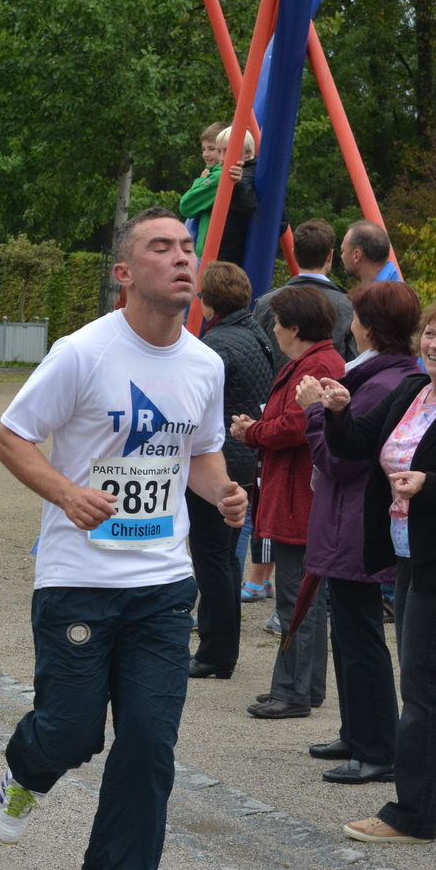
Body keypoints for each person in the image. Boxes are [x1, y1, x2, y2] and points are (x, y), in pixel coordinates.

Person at [0, 207, 245, 870]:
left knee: (148, 738)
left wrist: (223, 493)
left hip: (164, 582)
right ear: (125, 272)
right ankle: (25, 769)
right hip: (78, 578)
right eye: (160, 247)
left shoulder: (205, 364)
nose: (181, 257)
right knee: (71, 730)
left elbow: (198, 453)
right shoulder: (83, 353)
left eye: (187, 246)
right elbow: (10, 437)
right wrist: (66, 494)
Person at [314, 295, 436, 844]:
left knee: (423, 681)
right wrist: (338, 410)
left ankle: (411, 814)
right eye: (430, 334)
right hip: (409, 551)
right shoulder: (414, 390)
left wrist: (431, 485)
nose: (434, 344)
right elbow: (360, 446)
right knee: (430, 677)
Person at [298, 281, 423, 783]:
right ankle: (358, 732)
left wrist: (314, 410)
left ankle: (377, 748)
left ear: (367, 326)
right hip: (352, 520)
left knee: (360, 633)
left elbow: (340, 459)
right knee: (348, 631)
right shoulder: (392, 375)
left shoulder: (377, 382)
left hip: (353, 521)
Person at [233, 285, 348, 719]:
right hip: (297, 492)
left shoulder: (317, 364)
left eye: (278, 323)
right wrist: (261, 426)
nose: (275, 330)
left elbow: (295, 426)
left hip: (302, 495)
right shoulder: (315, 360)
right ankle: (303, 686)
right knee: (302, 597)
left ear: (294, 327)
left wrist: (253, 433)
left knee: (296, 599)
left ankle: (294, 691)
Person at [186, 262, 273, 679]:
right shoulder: (259, 335)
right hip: (249, 459)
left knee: (212, 558)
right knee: (224, 558)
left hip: (218, 463)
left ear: (207, 302)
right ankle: (221, 644)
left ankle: (216, 652)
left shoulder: (215, 345)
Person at [255, 219, 358, 366]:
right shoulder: (350, 307)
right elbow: (354, 364)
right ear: (330, 256)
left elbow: (256, 361)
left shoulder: (266, 303)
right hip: (328, 387)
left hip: (276, 388)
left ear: (294, 254)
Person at [179, 124, 259, 265]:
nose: (206, 154)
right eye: (203, 149)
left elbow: (186, 206)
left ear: (246, 153)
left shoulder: (221, 176)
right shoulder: (225, 173)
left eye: (212, 149)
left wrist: (201, 181)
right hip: (221, 252)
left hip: (214, 252)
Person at [341, 220, 395, 286]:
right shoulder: (398, 289)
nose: (341, 256)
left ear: (356, 255)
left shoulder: (383, 294)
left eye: (343, 251)